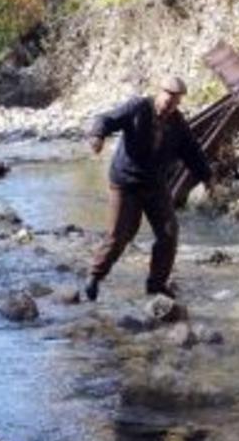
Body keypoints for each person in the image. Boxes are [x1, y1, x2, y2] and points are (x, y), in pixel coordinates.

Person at [85, 76, 213, 301]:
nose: (170, 105)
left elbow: (192, 151)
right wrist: (97, 136)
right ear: (159, 92)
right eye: (168, 98)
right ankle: (95, 276)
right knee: (121, 235)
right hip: (126, 182)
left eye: (176, 101)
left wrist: (207, 178)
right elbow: (106, 119)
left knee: (169, 233)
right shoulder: (138, 107)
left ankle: (156, 285)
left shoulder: (177, 122)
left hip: (155, 184)